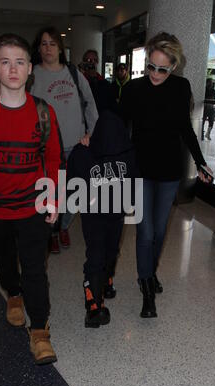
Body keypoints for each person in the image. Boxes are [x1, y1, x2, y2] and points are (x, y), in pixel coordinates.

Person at [0, 33, 65, 365]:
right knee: (6, 265)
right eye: (5, 62)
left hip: (32, 207)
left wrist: (52, 200)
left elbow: (52, 158)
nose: (13, 69)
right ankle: (13, 294)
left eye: (19, 62)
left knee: (35, 269)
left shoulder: (44, 113)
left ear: (29, 68)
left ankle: (40, 334)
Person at [120, 32, 212, 319]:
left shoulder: (181, 87)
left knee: (160, 231)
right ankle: (146, 286)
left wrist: (200, 161)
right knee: (145, 232)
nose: (155, 74)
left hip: (170, 171)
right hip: (142, 170)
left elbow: (185, 128)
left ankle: (149, 270)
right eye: (151, 66)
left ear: (173, 67)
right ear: (146, 61)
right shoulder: (133, 89)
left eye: (163, 69)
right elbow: (120, 127)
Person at [30, 27, 98, 253]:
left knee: (74, 194)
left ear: (60, 48)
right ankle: (51, 231)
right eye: (43, 44)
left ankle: (64, 226)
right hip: (47, 149)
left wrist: (91, 133)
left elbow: (90, 105)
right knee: (51, 192)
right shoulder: (32, 74)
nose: (47, 48)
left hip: (76, 146)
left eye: (52, 43)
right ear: (38, 49)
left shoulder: (73, 73)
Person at [67, 110, 136, 327]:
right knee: (97, 255)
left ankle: (105, 281)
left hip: (110, 213)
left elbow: (135, 180)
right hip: (97, 215)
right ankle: (93, 306)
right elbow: (72, 183)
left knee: (109, 251)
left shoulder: (127, 153)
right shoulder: (84, 152)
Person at [82, 49, 117, 114]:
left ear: (97, 62)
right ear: (84, 63)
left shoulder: (105, 84)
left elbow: (112, 107)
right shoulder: (79, 84)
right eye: (88, 60)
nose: (92, 63)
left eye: (94, 60)